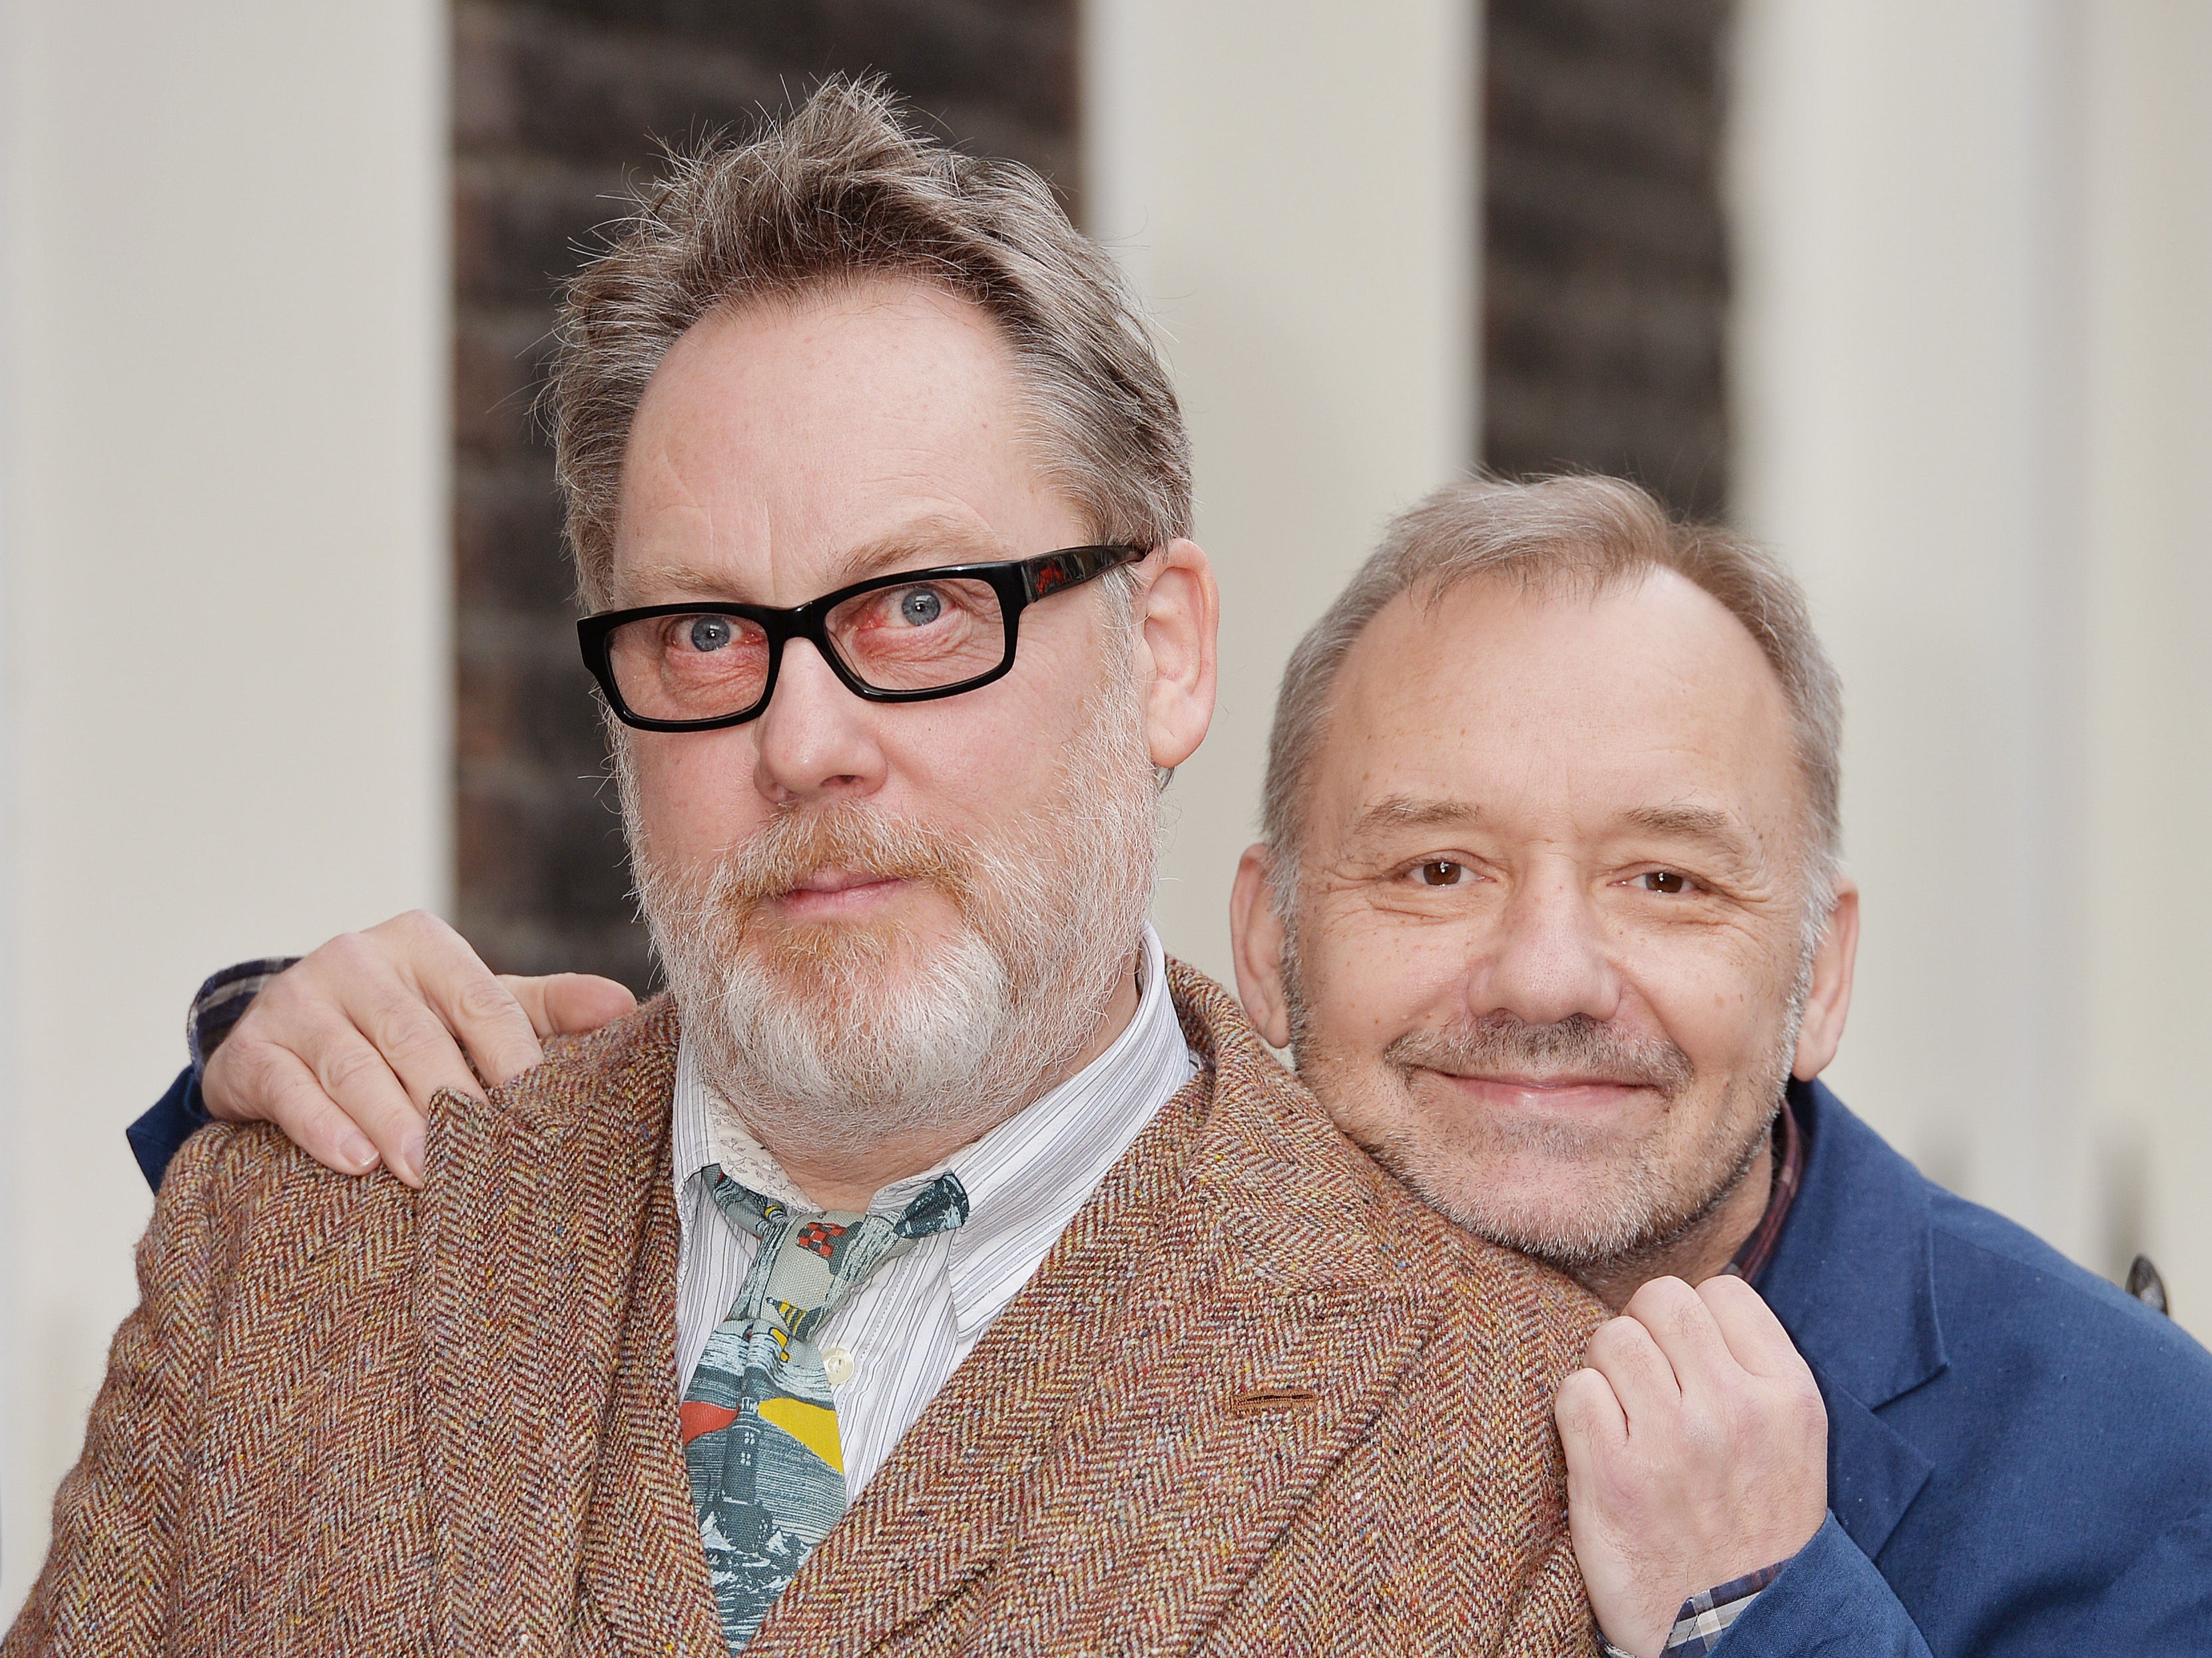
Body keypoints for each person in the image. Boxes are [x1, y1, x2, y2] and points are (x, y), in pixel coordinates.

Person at [4, 83, 1613, 1657]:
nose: (804, 739)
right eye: (705, 633)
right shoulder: (299, 1234)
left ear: (1165, 652)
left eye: (916, 606)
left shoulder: (1518, 1445)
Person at [159, 477, 2212, 1655]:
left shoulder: (2133, 1468)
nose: (1547, 973)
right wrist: (297, 1052)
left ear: (1822, 972)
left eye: (1671, 879)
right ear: (1263, 940)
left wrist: (1767, 1613)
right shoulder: (1082, 1222)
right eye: (1435, 865)